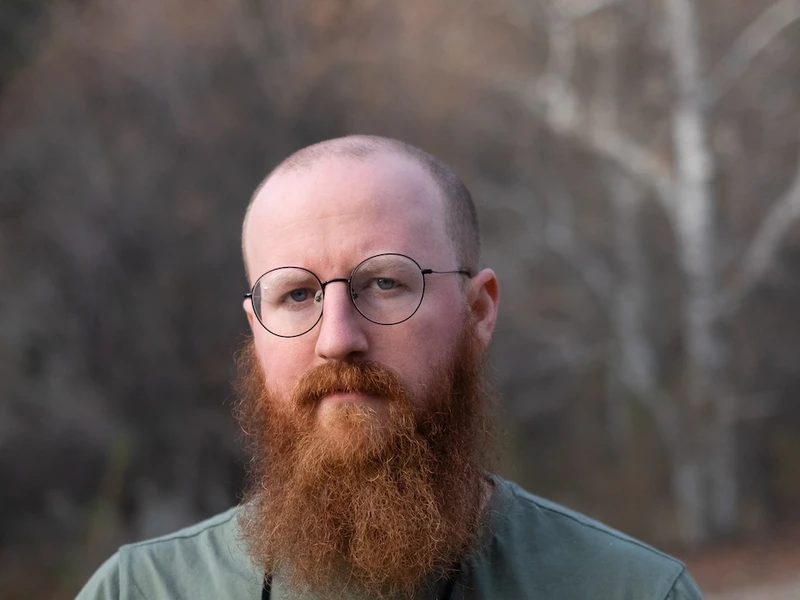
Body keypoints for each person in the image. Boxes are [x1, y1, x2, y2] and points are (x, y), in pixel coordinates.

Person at [77, 135, 704, 600]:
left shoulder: (631, 593)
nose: (338, 339)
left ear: (479, 310)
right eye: (296, 295)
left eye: (383, 283)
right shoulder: (140, 592)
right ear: (256, 330)